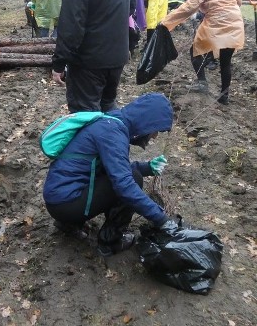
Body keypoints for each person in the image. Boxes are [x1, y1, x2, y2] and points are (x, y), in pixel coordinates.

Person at [42, 92, 176, 257]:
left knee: (130, 175)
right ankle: (110, 242)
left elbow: (114, 168)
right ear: (147, 121)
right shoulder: (113, 133)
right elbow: (124, 183)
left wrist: (147, 167)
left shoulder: (110, 122)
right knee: (133, 179)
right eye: (156, 130)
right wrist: (161, 218)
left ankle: (69, 224)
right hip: (66, 204)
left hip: (57, 199)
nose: (154, 136)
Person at [52, 0, 135, 112]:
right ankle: (116, 138)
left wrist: (58, 64)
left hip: (88, 63)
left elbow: (70, 29)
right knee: (108, 104)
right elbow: (131, 9)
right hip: (116, 59)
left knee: (84, 112)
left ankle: (93, 141)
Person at [160, 0, 244, 105]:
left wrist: (166, 22)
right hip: (235, 24)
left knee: (195, 51)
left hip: (216, 24)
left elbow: (187, 8)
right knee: (225, 62)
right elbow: (239, 1)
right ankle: (224, 96)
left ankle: (202, 83)